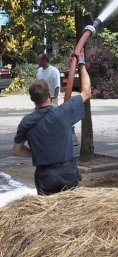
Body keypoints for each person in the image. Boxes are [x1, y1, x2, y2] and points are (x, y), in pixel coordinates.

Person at [12, 52, 91, 195]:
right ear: (49, 95)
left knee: (48, 215)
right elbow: (86, 92)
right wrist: (81, 62)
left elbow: (16, 150)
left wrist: (39, 153)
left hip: (45, 176)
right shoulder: (64, 112)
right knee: (70, 213)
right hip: (67, 173)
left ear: (32, 99)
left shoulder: (26, 122)